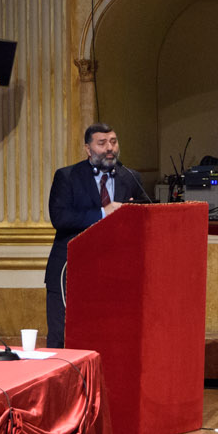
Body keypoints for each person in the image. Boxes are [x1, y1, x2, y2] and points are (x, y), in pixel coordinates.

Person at [45, 122, 149, 347]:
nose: (110, 148)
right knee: (64, 337)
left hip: (113, 272)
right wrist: (103, 213)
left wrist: (132, 214)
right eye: (102, 143)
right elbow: (60, 218)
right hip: (69, 270)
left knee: (110, 338)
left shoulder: (131, 177)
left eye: (113, 142)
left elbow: (144, 219)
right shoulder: (67, 176)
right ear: (88, 149)